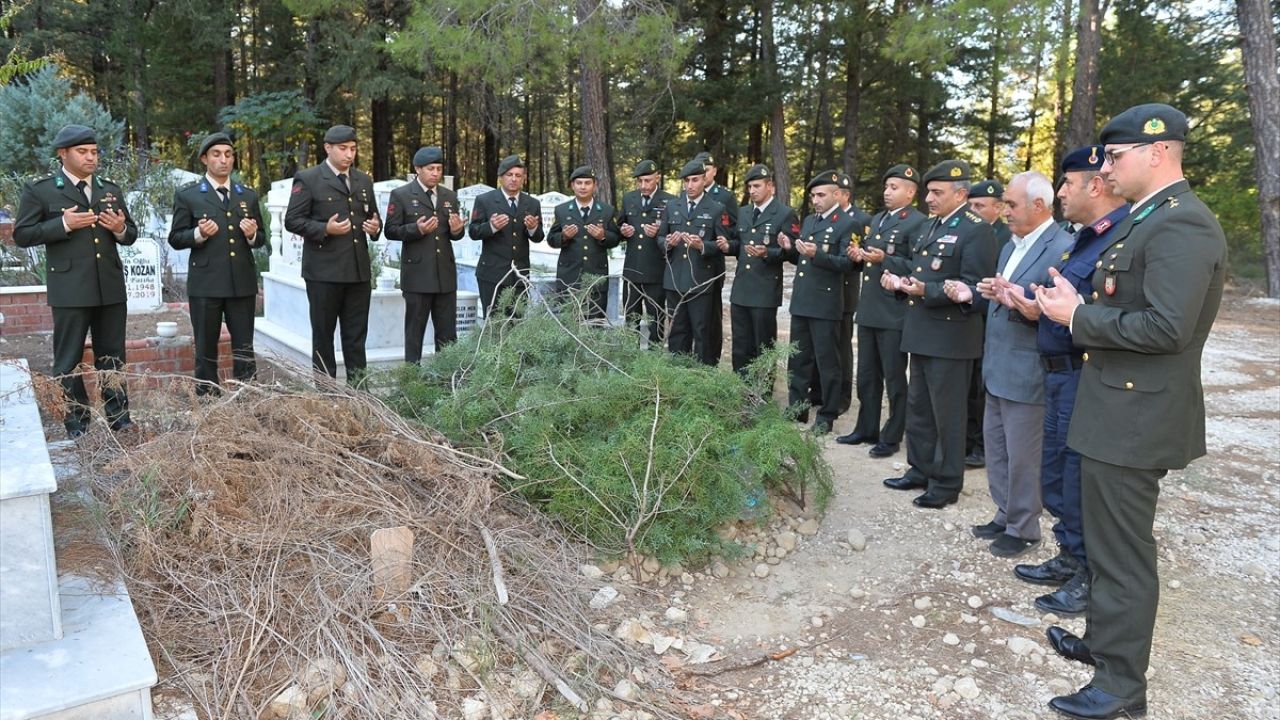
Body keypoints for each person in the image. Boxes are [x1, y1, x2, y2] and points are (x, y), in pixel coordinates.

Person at [1036, 104, 1226, 720]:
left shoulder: (1181, 225)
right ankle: (1105, 646)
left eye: (1115, 157)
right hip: (1113, 407)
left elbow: (1168, 327)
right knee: (1104, 541)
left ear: (1158, 152)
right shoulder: (1146, 221)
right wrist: (1078, 301)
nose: (1107, 168)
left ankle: (1121, 688)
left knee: (1122, 555)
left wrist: (1077, 317)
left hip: (1135, 417)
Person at [1002, 145, 1129, 616]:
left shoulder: (1121, 236)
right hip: (1057, 373)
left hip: (1083, 374)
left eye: (1066, 184)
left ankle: (1086, 575)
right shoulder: (1087, 238)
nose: (1059, 193)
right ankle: (1070, 554)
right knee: (1056, 476)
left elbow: (1108, 313)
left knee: (1077, 479)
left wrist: (1058, 312)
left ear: (1094, 185)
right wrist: (1037, 307)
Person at [948, 171, 1073, 556]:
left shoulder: (1062, 247)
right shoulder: (1010, 246)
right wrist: (977, 292)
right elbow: (1004, 296)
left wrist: (1020, 301)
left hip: (1029, 369)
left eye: (1012, 204)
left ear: (1039, 206)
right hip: (999, 365)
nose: (1005, 211)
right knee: (998, 447)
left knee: (1024, 455)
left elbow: (1057, 312)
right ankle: (1004, 512)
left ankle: (1024, 527)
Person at [881, 160, 996, 508]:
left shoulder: (976, 230)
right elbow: (924, 272)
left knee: (947, 414)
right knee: (920, 409)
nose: (929, 198)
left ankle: (946, 482)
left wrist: (924, 292)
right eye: (928, 191)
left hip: (951, 338)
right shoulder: (932, 226)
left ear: (960, 193)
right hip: (922, 332)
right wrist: (902, 285)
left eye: (936, 192)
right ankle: (920, 468)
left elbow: (976, 290)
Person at [14, 125, 138, 437]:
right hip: (70, 289)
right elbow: (23, 235)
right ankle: (77, 424)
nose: (91, 157)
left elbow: (130, 234)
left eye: (94, 152)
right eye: (83, 152)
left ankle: (119, 419)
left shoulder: (109, 189)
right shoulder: (41, 190)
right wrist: (63, 224)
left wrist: (120, 228)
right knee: (68, 360)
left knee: (112, 358)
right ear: (63, 154)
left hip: (109, 286)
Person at [838, 164, 927, 458]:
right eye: (886, 187)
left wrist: (885, 258)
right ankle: (866, 427)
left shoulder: (917, 223)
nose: (887, 192)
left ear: (911, 192)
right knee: (866, 374)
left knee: (894, 377)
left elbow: (917, 265)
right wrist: (859, 255)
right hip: (870, 308)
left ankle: (892, 435)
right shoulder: (876, 219)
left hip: (894, 311)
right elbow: (870, 256)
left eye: (894, 188)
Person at [167, 132, 265, 394]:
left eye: (229, 154)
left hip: (241, 283)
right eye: (217, 154)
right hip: (207, 284)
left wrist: (252, 234)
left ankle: (247, 397)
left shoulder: (248, 195)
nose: (224, 160)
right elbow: (175, 238)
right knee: (206, 346)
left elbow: (261, 238)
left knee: (244, 346)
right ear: (204, 159)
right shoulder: (189, 196)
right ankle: (208, 399)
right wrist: (199, 234)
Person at [284, 124, 382, 383]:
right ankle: (327, 392)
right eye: (343, 149)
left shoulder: (363, 180)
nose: (349, 154)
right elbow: (292, 221)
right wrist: (324, 228)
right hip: (324, 272)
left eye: (353, 149)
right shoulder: (309, 179)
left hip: (358, 271)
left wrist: (375, 228)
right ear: (327, 148)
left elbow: (372, 217)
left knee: (356, 336)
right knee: (324, 335)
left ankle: (360, 389)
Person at [782, 171, 856, 435]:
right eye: (813, 195)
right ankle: (797, 407)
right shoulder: (810, 221)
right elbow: (802, 260)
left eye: (821, 194)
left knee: (828, 362)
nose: (815, 200)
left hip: (826, 303)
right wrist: (791, 248)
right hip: (803, 300)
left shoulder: (848, 224)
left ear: (837, 195)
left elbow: (849, 264)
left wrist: (819, 254)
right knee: (799, 359)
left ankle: (827, 415)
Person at [383, 146, 466, 363]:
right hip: (418, 275)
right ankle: (412, 378)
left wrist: (457, 230)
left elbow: (453, 233)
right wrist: (416, 230)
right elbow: (390, 230)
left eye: (439, 169)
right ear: (417, 169)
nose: (435, 173)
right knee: (414, 332)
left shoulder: (449, 196)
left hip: (445, 275)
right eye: (430, 169)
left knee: (447, 333)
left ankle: (447, 379)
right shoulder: (401, 195)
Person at [717, 163, 798, 374]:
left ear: (770, 186)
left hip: (764, 291)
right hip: (741, 289)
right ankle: (740, 387)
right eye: (749, 187)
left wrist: (768, 253)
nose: (752, 191)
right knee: (741, 345)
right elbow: (739, 244)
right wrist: (727, 246)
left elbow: (793, 253)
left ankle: (763, 392)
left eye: (757, 186)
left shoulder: (784, 214)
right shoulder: (744, 212)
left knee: (763, 345)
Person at [660, 160, 730, 366]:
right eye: (687, 181)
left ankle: (702, 378)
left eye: (695, 180)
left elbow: (724, 244)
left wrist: (703, 246)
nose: (690, 185)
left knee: (702, 333)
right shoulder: (673, 206)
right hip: (675, 280)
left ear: (704, 180)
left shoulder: (717, 208)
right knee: (677, 333)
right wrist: (667, 243)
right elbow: (660, 238)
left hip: (701, 282)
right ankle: (678, 376)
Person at [963, 178, 1008, 468]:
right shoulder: (968, 231)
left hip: (994, 318)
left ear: (999, 208)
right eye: (971, 205)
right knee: (969, 385)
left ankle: (981, 445)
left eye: (980, 206)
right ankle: (968, 439)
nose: (974, 211)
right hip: (971, 316)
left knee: (983, 385)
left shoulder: (1006, 235)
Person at [468, 154, 544, 316]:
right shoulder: (485, 200)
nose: (514, 179)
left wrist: (532, 228)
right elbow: (473, 232)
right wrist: (491, 226)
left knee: (516, 323)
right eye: (509, 175)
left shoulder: (532, 203)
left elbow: (538, 237)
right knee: (494, 324)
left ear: (524, 178)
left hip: (519, 275)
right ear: (501, 177)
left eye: (518, 175)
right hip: (492, 274)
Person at [547, 165, 620, 319]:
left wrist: (603, 235)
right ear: (572, 185)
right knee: (569, 323)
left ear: (595, 185)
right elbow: (551, 240)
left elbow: (616, 238)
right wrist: (564, 236)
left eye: (587, 183)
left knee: (595, 325)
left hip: (596, 277)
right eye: (579, 183)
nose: (583, 187)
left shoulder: (606, 210)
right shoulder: (562, 210)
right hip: (569, 277)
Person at [619, 160, 675, 345]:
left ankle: (654, 359)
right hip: (633, 269)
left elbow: (673, 234)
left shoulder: (669, 201)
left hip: (656, 270)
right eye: (640, 181)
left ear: (657, 177)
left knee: (656, 319)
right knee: (631, 318)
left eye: (648, 181)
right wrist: (623, 231)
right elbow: (620, 223)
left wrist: (659, 233)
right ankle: (629, 357)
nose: (643, 185)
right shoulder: (629, 199)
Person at [833, 173, 874, 414]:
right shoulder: (824, 218)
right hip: (823, 291)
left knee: (842, 345)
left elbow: (863, 256)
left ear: (845, 195)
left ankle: (843, 396)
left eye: (834, 192)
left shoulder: (861, 219)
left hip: (845, 290)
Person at [693, 151, 738, 364]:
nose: (703, 173)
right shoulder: (688, 193)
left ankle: (712, 358)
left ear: (714, 171)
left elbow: (732, 230)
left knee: (712, 316)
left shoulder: (724, 197)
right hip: (691, 264)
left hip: (712, 264)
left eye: (707, 169)